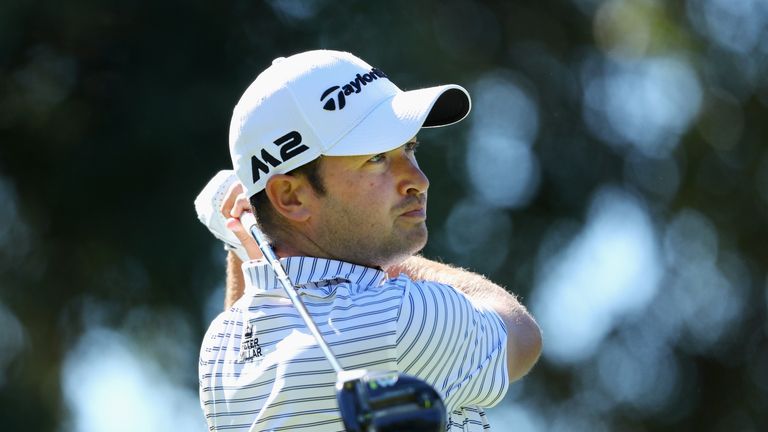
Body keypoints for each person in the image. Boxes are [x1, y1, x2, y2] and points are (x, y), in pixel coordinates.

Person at [196, 49, 542, 432]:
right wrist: (393, 261)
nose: (418, 180)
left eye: (409, 148)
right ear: (291, 197)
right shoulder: (403, 318)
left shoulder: (220, 350)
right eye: (376, 157)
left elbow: (250, 312)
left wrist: (245, 243)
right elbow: (522, 335)